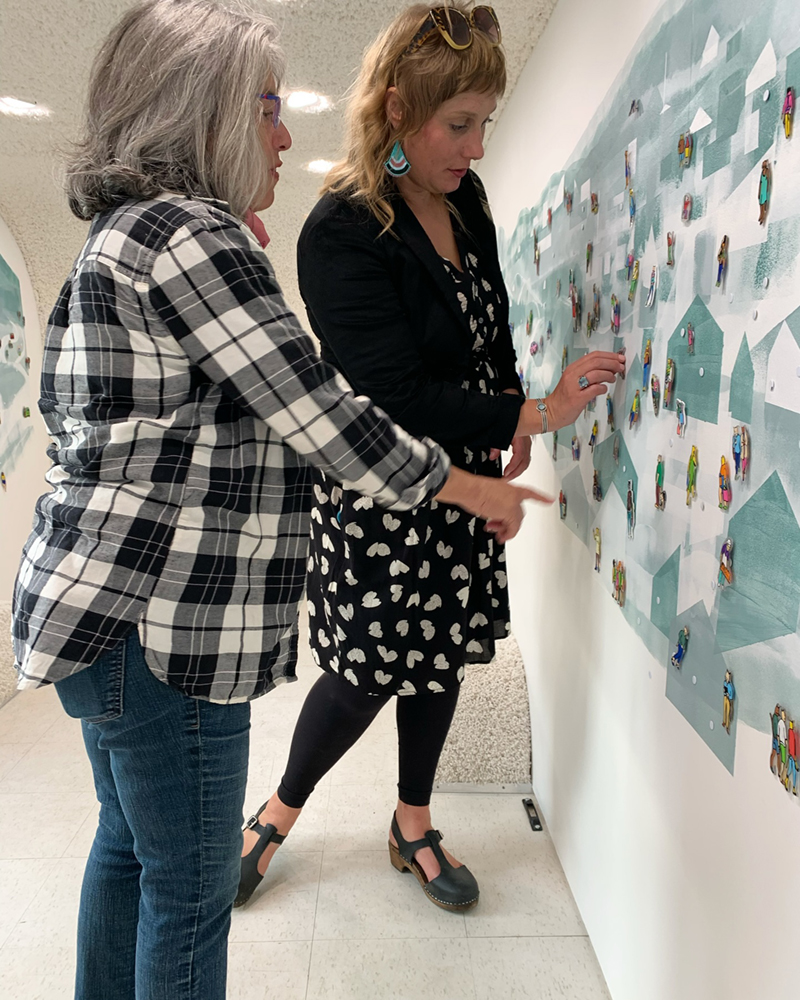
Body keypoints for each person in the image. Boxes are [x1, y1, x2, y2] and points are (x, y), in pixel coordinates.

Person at [10, 2, 546, 997]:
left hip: (94, 618)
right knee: (187, 885)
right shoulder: (190, 238)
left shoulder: (127, 233)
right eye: (262, 105)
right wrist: (469, 484)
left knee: (129, 851)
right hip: (163, 631)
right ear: (200, 112)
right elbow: (322, 412)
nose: (283, 130)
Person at [237, 1, 625, 912]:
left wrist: (510, 414)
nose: (478, 148)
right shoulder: (339, 231)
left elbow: (487, 323)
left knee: (441, 658)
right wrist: (537, 406)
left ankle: (412, 824)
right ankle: (279, 814)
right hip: (383, 493)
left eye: (485, 123)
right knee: (365, 671)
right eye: (462, 125)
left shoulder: (465, 199)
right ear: (397, 112)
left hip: (469, 483)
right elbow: (392, 396)